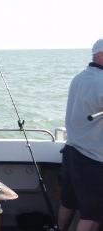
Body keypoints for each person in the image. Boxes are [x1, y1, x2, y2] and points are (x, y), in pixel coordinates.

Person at [57, 38, 103, 231]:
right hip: (93, 158)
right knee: (92, 215)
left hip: (71, 151)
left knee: (69, 202)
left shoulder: (79, 77)